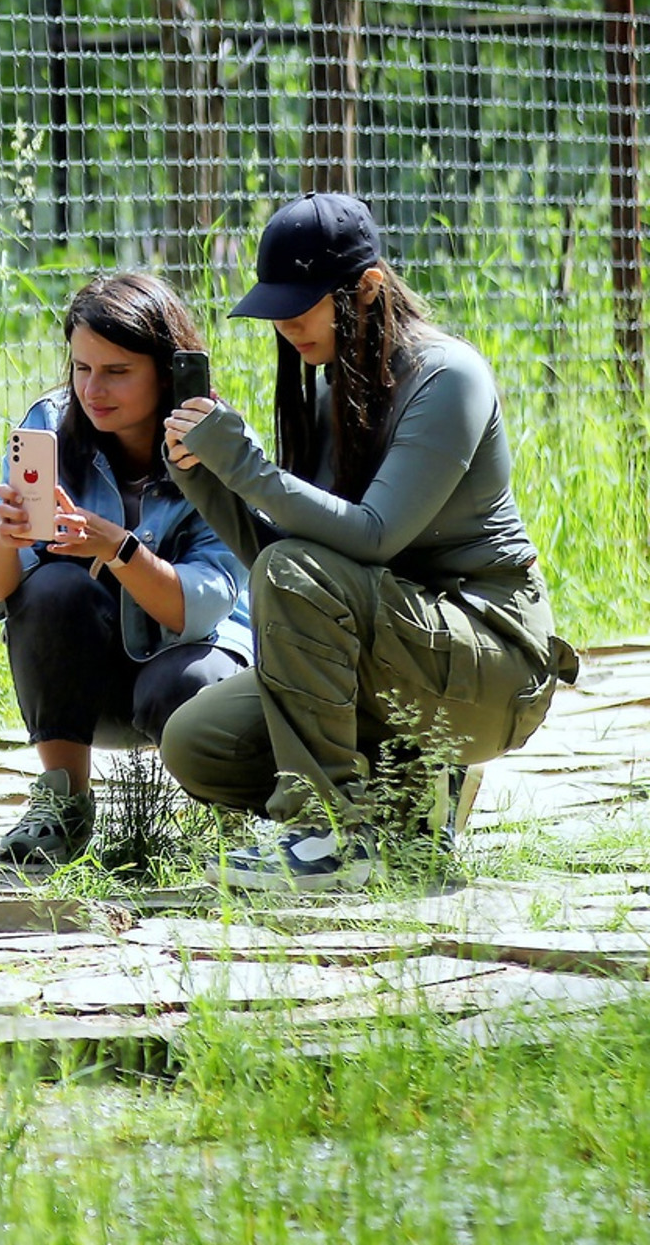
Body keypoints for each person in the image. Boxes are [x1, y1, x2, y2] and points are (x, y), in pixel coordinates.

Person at [161, 192, 574, 890]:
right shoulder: (336, 394)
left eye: (301, 305)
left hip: (495, 663)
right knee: (198, 742)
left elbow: (373, 537)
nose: (286, 324)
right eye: (276, 308)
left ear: (370, 288)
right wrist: (204, 480)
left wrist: (247, 465)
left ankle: (327, 838)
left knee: (298, 571)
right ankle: (410, 805)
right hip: (400, 654)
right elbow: (285, 569)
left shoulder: (449, 378)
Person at [0, 273, 252, 865]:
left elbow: (198, 609)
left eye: (117, 371)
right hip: (87, 675)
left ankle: (236, 815)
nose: (94, 389)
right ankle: (63, 802)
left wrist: (117, 550)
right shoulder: (50, 425)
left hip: (189, 663)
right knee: (52, 589)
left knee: (183, 682)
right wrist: (6, 539)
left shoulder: (215, 441)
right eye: (81, 368)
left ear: (167, 372)